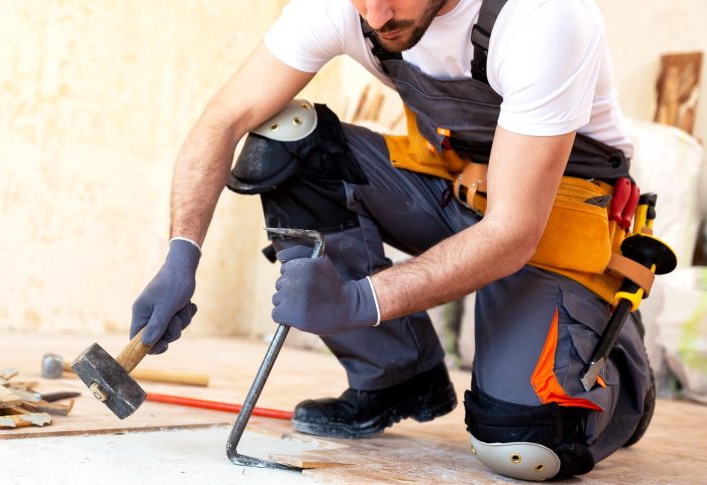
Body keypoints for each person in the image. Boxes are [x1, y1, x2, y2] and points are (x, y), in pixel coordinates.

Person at [128, 0, 667, 480]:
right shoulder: (348, 7)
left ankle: (619, 376)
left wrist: (361, 300)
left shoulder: (543, 16)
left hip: (549, 217)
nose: (376, 15)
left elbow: (511, 233)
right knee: (281, 139)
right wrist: (182, 255)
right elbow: (222, 119)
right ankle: (397, 376)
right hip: (450, 186)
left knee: (526, 447)